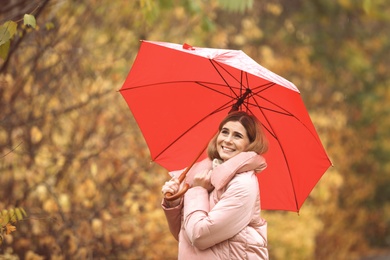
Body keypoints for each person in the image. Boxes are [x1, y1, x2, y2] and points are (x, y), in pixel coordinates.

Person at [161, 111, 269, 259]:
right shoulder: (205, 174)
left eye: (237, 136)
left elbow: (199, 236)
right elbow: (184, 236)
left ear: (250, 145)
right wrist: (174, 201)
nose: (228, 140)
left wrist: (198, 190)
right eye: (224, 132)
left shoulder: (243, 185)